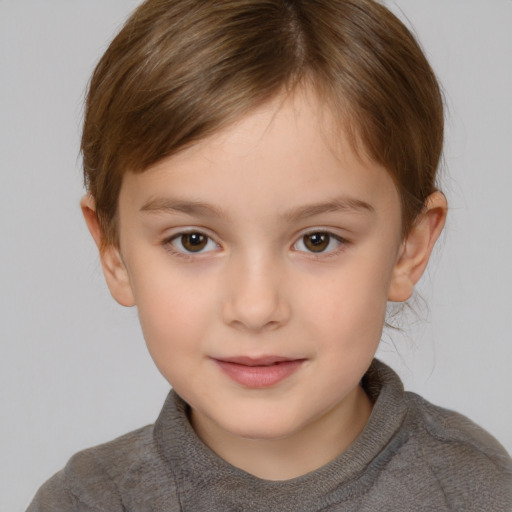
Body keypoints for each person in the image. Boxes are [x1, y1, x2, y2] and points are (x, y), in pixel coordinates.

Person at [27, 0, 512, 510]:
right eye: (193, 240)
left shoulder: (479, 492)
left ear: (407, 250)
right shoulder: (87, 502)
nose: (256, 308)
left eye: (317, 240)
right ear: (114, 252)